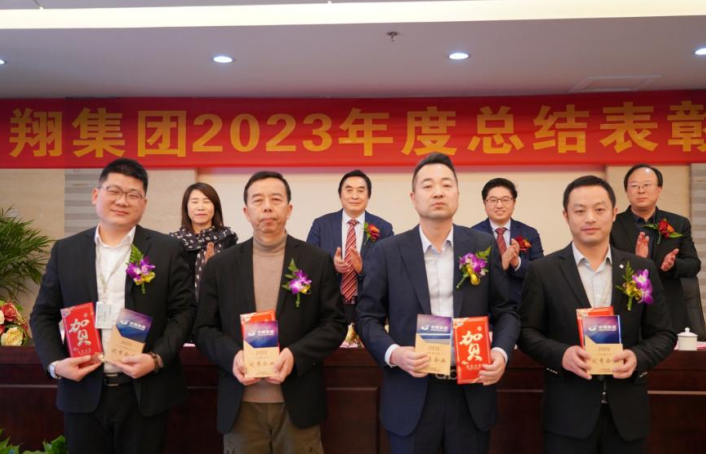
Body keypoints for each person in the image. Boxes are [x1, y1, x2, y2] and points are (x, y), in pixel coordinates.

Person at [356, 153, 519, 454]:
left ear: (457, 193)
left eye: (446, 184)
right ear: (413, 197)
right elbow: (367, 317)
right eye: (428, 185)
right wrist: (394, 354)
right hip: (411, 392)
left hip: (471, 391)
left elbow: (506, 310)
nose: (438, 192)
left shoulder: (482, 245)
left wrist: (500, 352)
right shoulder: (388, 251)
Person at [30, 158, 196, 454]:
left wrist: (157, 358)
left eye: (133, 194)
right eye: (114, 191)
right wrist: (55, 364)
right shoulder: (66, 250)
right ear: (96, 195)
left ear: (144, 203)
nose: (122, 201)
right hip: (83, 388)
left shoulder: (167, 250)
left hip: (145, 392)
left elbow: (184, 311)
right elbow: (43, 314)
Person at [518, 175, 676, 454]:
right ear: (566, 216)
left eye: (599, 209)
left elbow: (664, 333)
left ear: (614, 213)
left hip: (627, 413)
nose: (590, 218)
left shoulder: (642, 268)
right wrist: (562, 355)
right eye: (580, 210)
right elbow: (526, 332)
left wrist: (637, 357)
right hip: (567, 414)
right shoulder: (543, 271)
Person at [193, 171, 347, 454]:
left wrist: (295, 354)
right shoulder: (221, 266)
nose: (267, 207)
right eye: (258, 200)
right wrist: (233, 356)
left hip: (298, 401)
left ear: (289, 209)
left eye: (276, 199)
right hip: (241, 404)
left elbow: (335, 323)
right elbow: (203, 329)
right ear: (246, 212)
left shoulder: (316, 260)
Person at [610, 163, 701, 332]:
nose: (641, 190)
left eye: (647, 185)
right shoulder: (612, 225)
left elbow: (693, 265)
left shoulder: (678, 223)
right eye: (634, 186)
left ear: (659, 189)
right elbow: (604, 267)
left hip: (669, 311)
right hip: (628, 311)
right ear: (626, 191)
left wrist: (673, 265)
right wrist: (637, 261)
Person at [306, 169, 394, 323]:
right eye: (349, 190)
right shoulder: (321, 225)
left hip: (369, 308)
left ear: (368, 196)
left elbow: (390, 270)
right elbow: (308, 265)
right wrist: (331, 266)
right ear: (340, 195)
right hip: (329, 306)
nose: (354, 196)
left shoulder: (383, 228)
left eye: (360, 190)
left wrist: (362, 268)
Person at [472, 178, 544, 306]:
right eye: (493, 200)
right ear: (484, 203)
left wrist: (517, 262)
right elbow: (469, 275)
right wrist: (501, 265)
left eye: (505, 200)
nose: (499, 205)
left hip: (522, 305)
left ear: (514, 202)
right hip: (485, 305)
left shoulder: (529, 233)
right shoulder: (472, 234)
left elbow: (540, 273)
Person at [170, 182, 237, 298]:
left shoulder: (227, 238)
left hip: (218, 303)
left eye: (206, 201)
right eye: (194, 202)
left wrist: (213, 265)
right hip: (183, 304)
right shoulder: (174, 242)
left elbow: (233, 279)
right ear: (186, 207)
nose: (200, 207)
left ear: (215, 206)